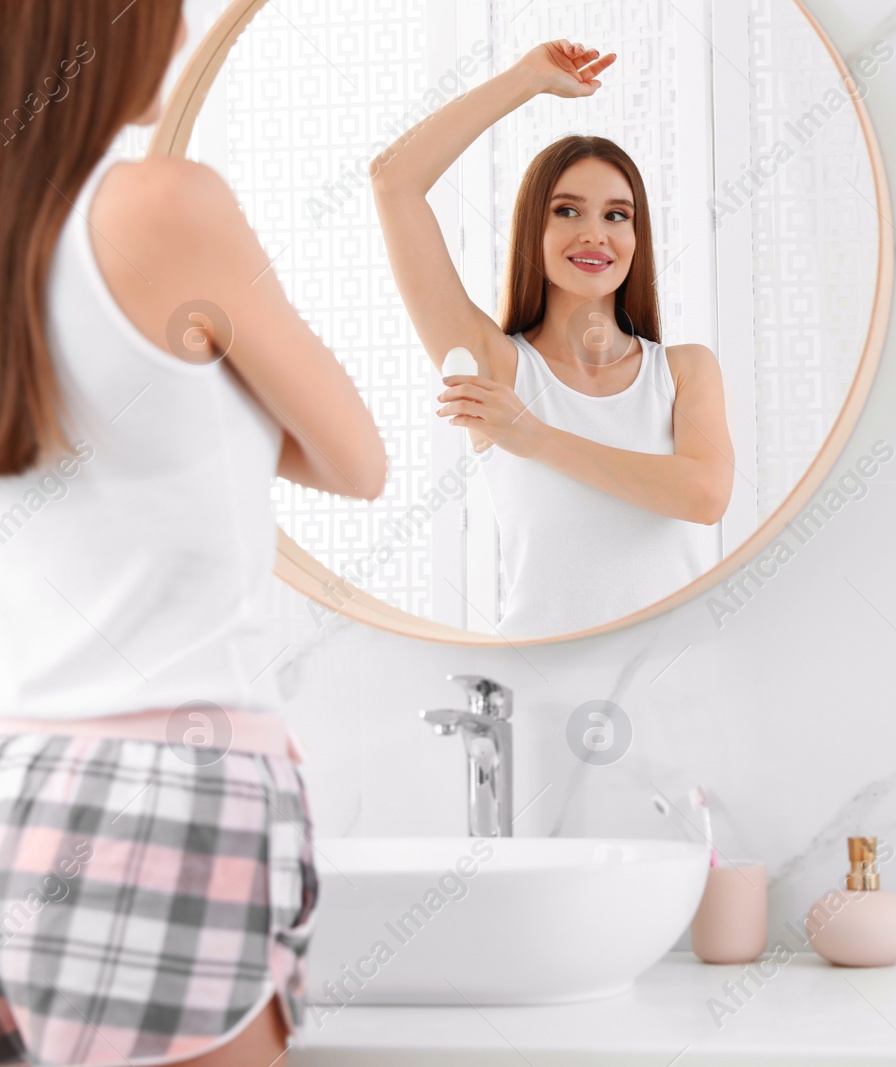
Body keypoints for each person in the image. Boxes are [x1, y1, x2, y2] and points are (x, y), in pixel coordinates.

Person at [0, 2, 386, 1063]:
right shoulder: (163, 206)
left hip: (28, 780)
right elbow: (357, 458)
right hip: (173, 791)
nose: (176, 39)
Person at [372, 39, 735, 638]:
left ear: (636, 238)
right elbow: (393, 182)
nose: (595, 233)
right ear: (531, 229)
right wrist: (525, 79)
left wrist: (532, 436)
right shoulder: (496, 365)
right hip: (537, 684)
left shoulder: (686, 371)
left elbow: (704, 495)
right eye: (567, 210)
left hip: (677, 684)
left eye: (617, 215)